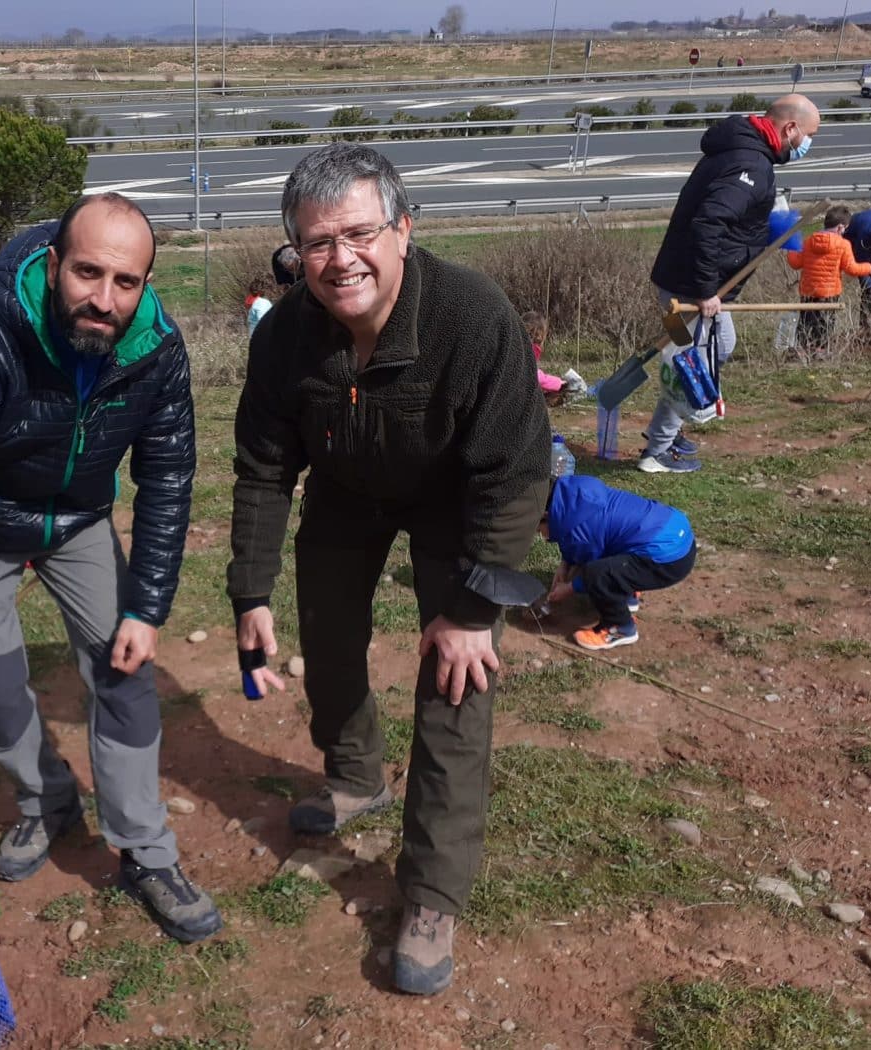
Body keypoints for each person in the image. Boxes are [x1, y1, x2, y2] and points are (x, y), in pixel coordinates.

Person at [226, 144, 549, 996]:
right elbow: (263, 469)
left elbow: (515, 476)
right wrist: (250, 591)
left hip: (456, 503)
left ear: (404, 229)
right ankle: (355, 774)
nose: (341, 260)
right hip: (346, 491)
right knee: (328, 636)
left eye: (360, 233)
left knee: (455, 676)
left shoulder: (472, 317)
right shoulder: (285, 336)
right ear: (296, 250)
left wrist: (472, 610)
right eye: (317, 242)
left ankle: (433, 892)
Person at [0, 193, 222, 945]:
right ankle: (47, 800)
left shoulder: (156, 348)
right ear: (55, 261)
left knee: (124, 668)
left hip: (78, 518)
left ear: (145, 284)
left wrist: (147, 607)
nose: (104, 299)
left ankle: (146, 851)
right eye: (87, 273)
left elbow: (168, 479)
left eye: (125, 282)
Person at [643, 93, 819, 474]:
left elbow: (726, 214)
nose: (807, 144)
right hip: (687, 292)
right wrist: (707, 290)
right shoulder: (750, 162)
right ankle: (658, 450)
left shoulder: (738, 148)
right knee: (692, 362)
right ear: (790, 128)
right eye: (808, 135)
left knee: (701, 351)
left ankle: (667, 430)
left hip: (673, 281)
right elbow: (709, 223)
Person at [541, 474, 696, 651]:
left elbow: (590, 573)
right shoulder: (576, 498)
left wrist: (569, 588)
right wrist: (564, 565)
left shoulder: (581, 535)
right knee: (611, 550)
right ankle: (626, 592)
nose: (541, 535)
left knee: (596, 574)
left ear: (547, 515)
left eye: (539, 529)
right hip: (677, 532)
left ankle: (619, 628)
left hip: (669, 560)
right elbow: (582, 538)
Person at [787, 205, 871, 355]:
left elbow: (795, 263)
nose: (844, 232)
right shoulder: (843, 244)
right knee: (824, 325)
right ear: (840, 227)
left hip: (807, 292)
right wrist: (869, 268)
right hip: (829, 293)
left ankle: (802, 351)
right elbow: (851, 269)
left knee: (806, 322)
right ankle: (820, 353)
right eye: (845, 228)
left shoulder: (808, 241)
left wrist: (790, 249)